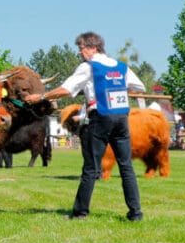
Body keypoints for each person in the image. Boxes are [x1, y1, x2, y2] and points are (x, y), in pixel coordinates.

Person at [25, 32, 145, 221]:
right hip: (121, 117)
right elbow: (140, 87)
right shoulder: (121, 67)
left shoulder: (88, 67)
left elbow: (65, 90)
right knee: (126, 166)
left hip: (100, 117)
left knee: (91, 167)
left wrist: (40, 97)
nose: (80, 53)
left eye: (81, 49)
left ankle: (80, 213)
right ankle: (136, 213)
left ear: (93, 48)